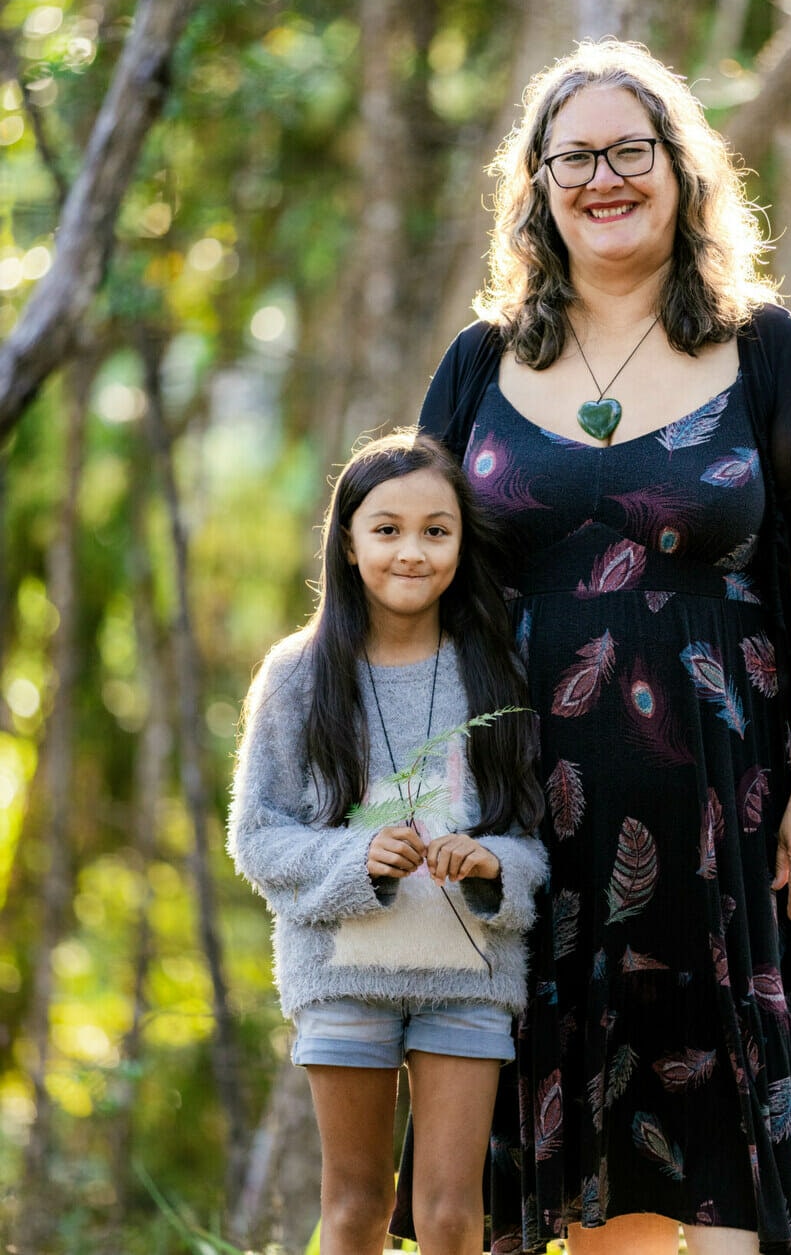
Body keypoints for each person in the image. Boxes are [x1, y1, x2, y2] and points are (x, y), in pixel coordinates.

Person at [417, 40, 791, 1255]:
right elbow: (406, 582)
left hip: (726, 832)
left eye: (631, 149)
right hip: (517, 836)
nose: (603, 177)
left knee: (723, 1188)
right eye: (575, 155)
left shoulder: (764, 348)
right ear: (537, 183)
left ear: (681, 171)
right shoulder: (479, 364)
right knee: (580, 1201)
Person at [228, 431, 547, 1255]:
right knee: (357, 1206)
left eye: (436, 530)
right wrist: (352, 862)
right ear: (348, 540)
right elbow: (257, 835)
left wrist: (492, 865)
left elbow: (533, 838)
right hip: (341, 978)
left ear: (461, 541)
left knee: (449, 1215)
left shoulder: (497, 671)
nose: (413, 551)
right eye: (388, 528)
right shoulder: (297, 675)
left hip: (468, 977)